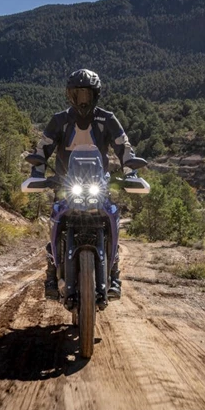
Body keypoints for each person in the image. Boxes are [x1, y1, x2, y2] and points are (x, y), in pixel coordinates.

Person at [26, 69, 140, 301]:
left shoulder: (107, 119)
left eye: (87, 94)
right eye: (78, 94)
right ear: (70, 95)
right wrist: (37, 171)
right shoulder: (59, 120)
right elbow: (42, 148)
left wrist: (131, 172)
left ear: (96, 95)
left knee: (111, 218)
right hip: (66, 184)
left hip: (99, 183)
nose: (83, 100)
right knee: (57, 219)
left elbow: (124, 146)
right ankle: (51, 273)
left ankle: (114, 273)